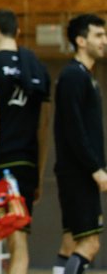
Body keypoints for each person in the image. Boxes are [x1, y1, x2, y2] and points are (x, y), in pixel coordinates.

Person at [0, 9, 51, 274]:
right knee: (19, 239)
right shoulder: (39, 69)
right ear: (17, 32)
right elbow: (44, 126)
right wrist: (37, 174)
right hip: (25, 163)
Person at [52, 14, 107, 274]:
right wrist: (95, 169)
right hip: (79, 173)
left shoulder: (86, 76)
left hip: (77, 172)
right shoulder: (74, 76)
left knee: (69, 242)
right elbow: (74, 129)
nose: (104, 41)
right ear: (81, 41)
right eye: (98, 35)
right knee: (90, 244)